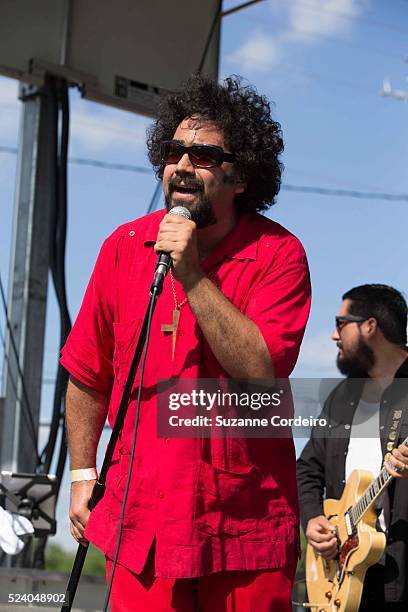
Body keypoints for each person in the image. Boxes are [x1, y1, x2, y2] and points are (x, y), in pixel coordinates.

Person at [61, 74, 311, 611]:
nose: (182, 165)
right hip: (142, 519)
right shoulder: (125, 246)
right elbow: (86, 372)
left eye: (202, 155)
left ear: (240, 174)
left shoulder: (279, 255)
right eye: (175, 151)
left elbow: (262, 370)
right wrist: (82, 476)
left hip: (245, 525)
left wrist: (194, 275)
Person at [297, 284, 408, 611]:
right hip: (346, 577)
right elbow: (307, 468)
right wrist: (313, 518)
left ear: (369, 327)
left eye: (340, 324)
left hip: (399, 573)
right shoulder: (342, 397)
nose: (333, 335)